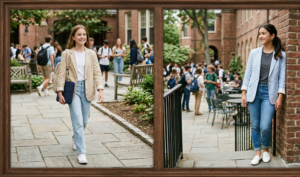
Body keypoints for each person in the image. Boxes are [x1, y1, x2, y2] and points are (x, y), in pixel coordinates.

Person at [57, 25, 104, 164]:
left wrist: (100, 90)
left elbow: (97, 72)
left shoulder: (91, 53)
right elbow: (61, 74)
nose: (82, 37)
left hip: (87, 89)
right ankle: (82, 152)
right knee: (77, 121)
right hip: (73, 90)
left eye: (84, 34)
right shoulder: (67, 53)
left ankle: (75, 138)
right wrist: (60, 92)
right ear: (73, 37)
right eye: (79, 34)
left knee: (84, 120)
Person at [241, 24, 286, 166]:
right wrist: (243, 93)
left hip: (269, 93)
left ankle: (266, 149)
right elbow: (247, 74)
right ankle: (257, 153)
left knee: (265, 125)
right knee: (254, 125)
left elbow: (282, 78)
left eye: (263, 33)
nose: (260, 36)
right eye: (259, 33)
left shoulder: (280, 55)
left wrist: (280, 96)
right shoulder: (254, 53)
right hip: (254, 91)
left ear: (272, 35)